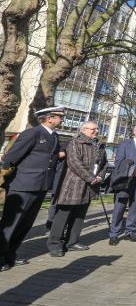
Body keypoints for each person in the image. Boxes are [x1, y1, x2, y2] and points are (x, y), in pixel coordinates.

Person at [0, 106, 64, 271]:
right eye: (59, 117)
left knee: (25, 225)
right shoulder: (33, 133)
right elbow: (11, 158)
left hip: (40, 186)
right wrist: (6, 180)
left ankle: (10, 255)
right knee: (11, 224)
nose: (62, 119)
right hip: (23, 186)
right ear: (49, 118)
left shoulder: (54, 136)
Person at [47, 121, 107, 256]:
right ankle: (55, 244)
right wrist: (91, 177)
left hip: (90, 187)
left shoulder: (100, 145)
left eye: (97, 129)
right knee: (63, 215)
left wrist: (100, 177)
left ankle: (72, 242)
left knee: (79, 215)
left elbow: (104, 164)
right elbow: (74, 163)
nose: (96, 131)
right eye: (93, 129)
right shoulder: (75, 142)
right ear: (84, 130)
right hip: (73, 185)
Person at [109, 123, 136, 246]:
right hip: (125, 180)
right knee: (120, 207)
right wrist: (134, 171)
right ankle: (114, 234)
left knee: (135, 207)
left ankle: (130, 231)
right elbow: (119, 162)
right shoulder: (125, 144)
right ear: (134, 132)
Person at [45, 147, 67, 231]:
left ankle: (57, 223)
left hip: (66, 180)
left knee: (61, 203)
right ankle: (50, 221)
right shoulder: (65, 146)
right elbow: (57, 155)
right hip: (59, 179)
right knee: (54, 202)